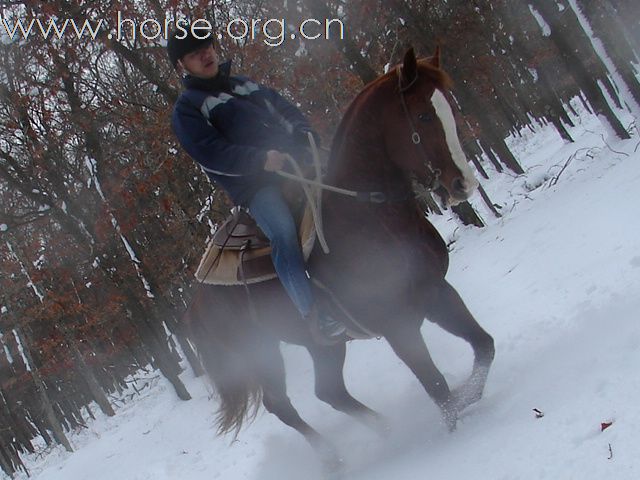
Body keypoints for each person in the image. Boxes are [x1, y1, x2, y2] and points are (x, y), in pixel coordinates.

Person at [167, 26, 346, 345]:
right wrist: (260, 160)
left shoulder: (244, 84)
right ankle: (315, 313)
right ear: (183, 65)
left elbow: (285, 110)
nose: (205, 54)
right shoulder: (188, 108)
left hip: (296, 163)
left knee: (349, 183)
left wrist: (304, 136)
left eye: (206, 46)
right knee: (283, 233)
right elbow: (211, 153)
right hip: (256, 186)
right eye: (195, 53)